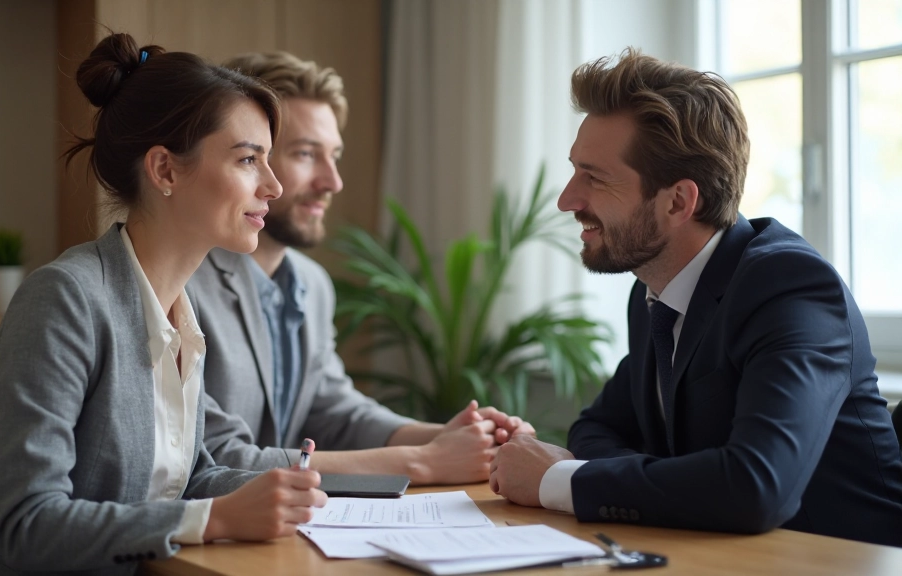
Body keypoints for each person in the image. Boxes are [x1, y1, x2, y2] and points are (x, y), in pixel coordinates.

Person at [0, 34, 328, 575]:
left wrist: (299, 491)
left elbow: (187, 478)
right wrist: (215, 519)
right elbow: (28, 525)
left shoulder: (180, 313)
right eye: (247, 160)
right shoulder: (64, 301)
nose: (274, 186)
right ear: (165, 170)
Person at [489, 48, 902, 546]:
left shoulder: (789, 288)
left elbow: (755, 487)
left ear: (679, 201)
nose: (567, 200)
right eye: (576, 170)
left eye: (594, 177)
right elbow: (596, 426)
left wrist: (560, 481)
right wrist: (687, 481)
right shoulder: (655, 289)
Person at [186, 51, 532, 485]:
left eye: (334, 155)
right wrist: (422, 462)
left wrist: (451, 437)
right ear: (254, 157)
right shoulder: (181, 283)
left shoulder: (312, 284)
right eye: (307, 154)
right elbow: (210, 454)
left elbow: (334, 413)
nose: (333, 182)